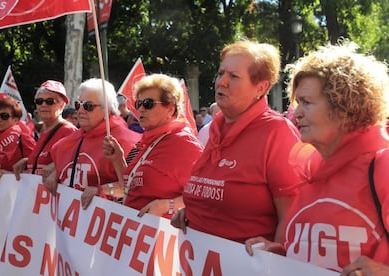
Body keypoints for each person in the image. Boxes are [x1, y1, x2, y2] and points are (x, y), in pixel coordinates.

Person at [245, 43, 389, 275]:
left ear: (344, 107)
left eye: (307, 102)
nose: (296, 113)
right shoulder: (309, 171)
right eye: (297, 103)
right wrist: (283, 255)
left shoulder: (382, 166)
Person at [171, 40, 301, 244]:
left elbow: (293, 214)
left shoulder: (277, 132)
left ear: (261, 87)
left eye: (233, 76)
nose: (221, 82)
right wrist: (193, 212)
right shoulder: (214, 129)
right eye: (221, 73)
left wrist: (279, 251)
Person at [102, 73, 203, 219]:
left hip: (163, 238)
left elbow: (204, 198)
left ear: (170, 108)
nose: (140, 109)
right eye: (138, 103)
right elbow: (130, 189)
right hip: (136, 233)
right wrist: (118, 159)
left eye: (148, 104)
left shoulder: (184, 144)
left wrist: (167, 205)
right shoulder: (147, 142)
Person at [43, 78, 141, 209]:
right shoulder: (70, 140)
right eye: (78, 105)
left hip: (106, 221)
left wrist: (103, 190)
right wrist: (56, 172)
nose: (81, 110)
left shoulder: (128, 142)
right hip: (68, 221)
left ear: (107, 109)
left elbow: (134, 187)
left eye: (88, 106)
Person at [13, 80, 78, 178]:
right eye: (39, 101)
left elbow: (78, 162)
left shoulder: (68, 131)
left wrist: (56, 167)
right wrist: (28, 161)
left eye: (49, 101)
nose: (43, 105)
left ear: (62, 105)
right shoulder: (42, 131)